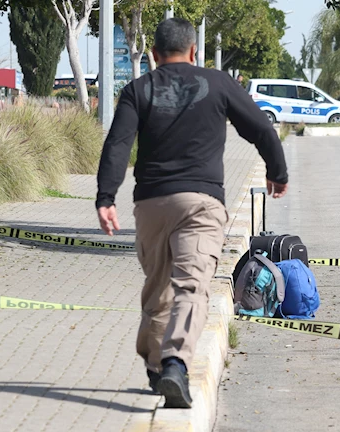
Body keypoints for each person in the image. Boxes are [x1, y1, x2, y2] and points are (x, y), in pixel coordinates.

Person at [96, 18, 288, 408]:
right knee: (191, 286)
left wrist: (105, 197)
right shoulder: (217, 83)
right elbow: (261, 128)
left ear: (153, 55)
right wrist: (277, 172)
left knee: (159, 285)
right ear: (194, 51)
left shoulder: (139, 89)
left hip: (151, 204)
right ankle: (173, 365)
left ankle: (160, 365)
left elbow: (118, 145)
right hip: (201, 204)